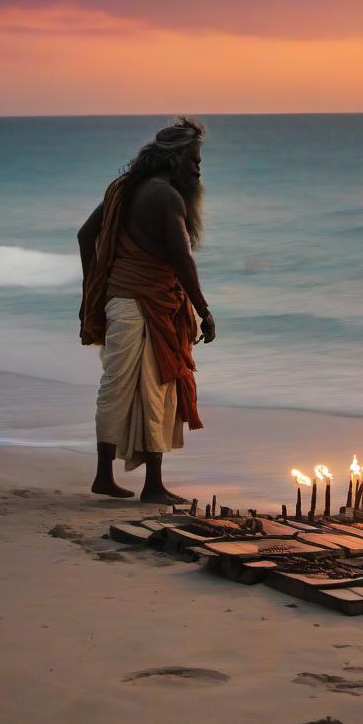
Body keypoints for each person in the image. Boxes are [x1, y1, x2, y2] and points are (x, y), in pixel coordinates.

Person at [78, 116, 215, 502]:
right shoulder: (166, 196)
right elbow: (181, 257)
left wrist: (95, 289)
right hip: (143, 306)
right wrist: (204, 310)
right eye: (194, 158)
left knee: (119, 389)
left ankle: (105, 476)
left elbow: (86, 235)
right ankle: (152, 486)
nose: (198, 167)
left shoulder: (126, 188)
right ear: (174, 159)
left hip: (121, 302)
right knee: (152, 389)